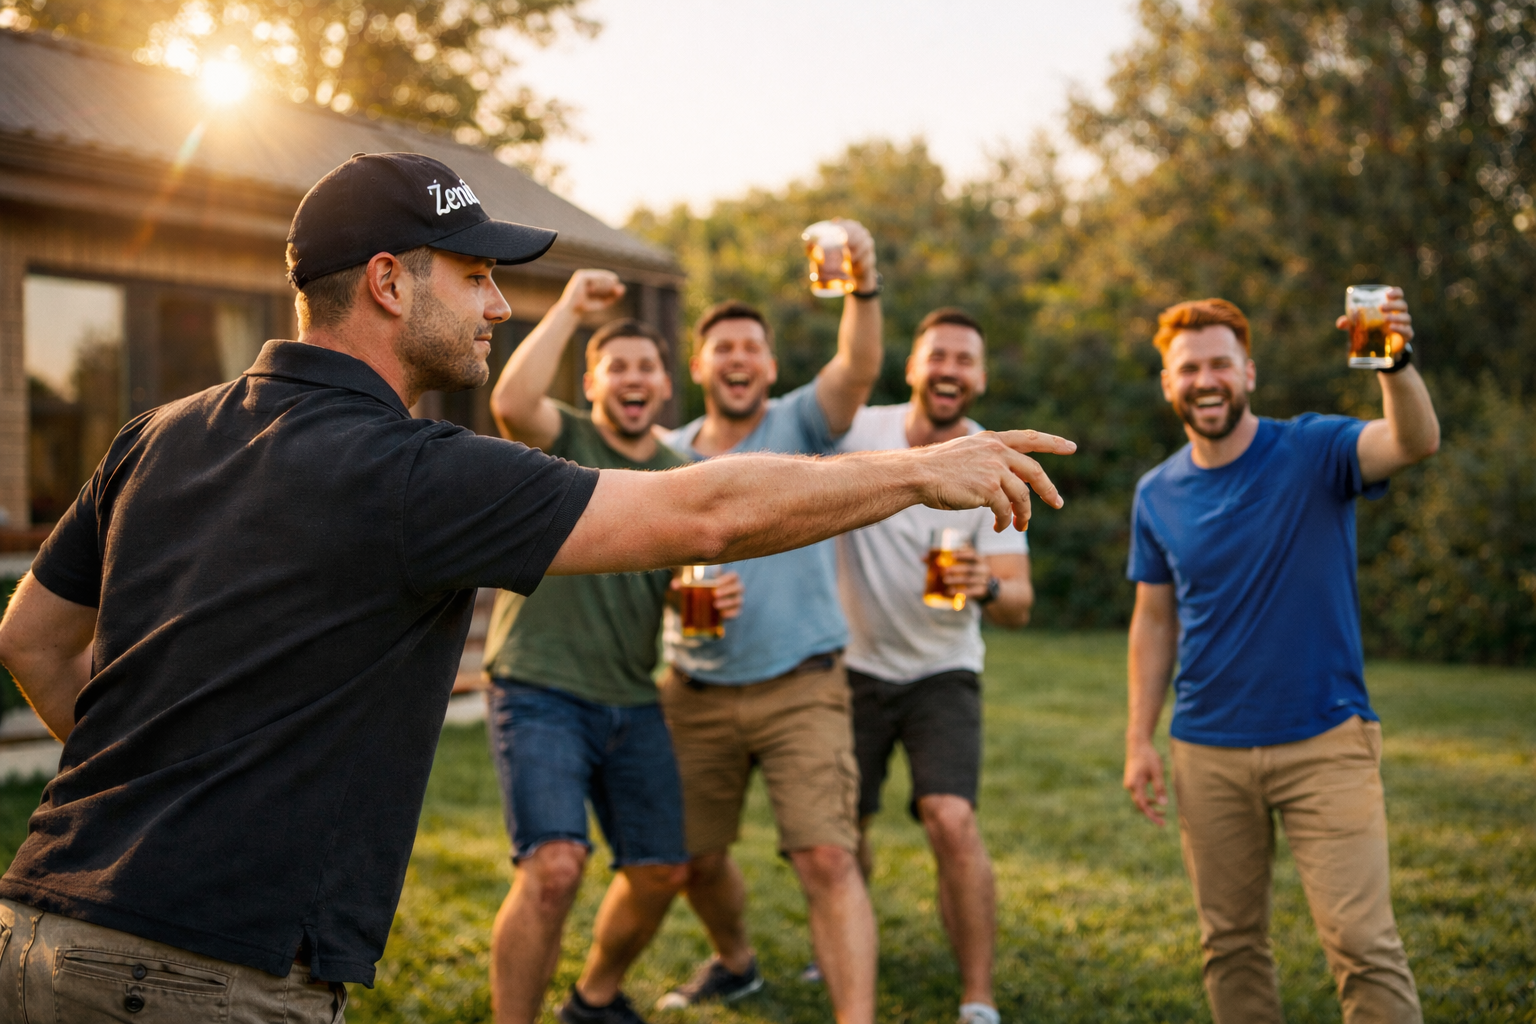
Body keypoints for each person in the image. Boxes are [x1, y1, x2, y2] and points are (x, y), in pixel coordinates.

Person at [0, 152, 1073, 1024]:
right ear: (388, 280)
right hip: (203, 975)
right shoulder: (413, 471)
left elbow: (34, 639)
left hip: (38, 924)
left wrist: (148, 775)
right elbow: (698, 512)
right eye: (474, 276)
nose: (500, 306)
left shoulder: (155, 434)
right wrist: (921, 469)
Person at [1122, 295, 1437, 1024]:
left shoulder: (1314, 449)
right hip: (1206, 748)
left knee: (1362, 942)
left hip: (1326, 740)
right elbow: (1154, 618)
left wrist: (1392, 360)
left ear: (1249, 373)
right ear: (1168, 384)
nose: (1206, 380)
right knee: (1230, 944)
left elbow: (1413, 442)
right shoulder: (1157, 492)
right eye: (1189, 368)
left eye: (1220, 365)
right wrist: (1140, 735)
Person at [481, 269, 743, 1024]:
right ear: (592, 383)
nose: (632, 378)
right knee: (554, 867)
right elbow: (511, 401)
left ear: (664, 386)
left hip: (633, 695)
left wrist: (704, 602)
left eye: (644, 368)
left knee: (663, 869)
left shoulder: (683, 473)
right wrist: (568, 306)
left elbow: (678, 590)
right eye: (615, 367)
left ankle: (594, 999)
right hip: (538, 686)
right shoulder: (566, 440)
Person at [654, 222, 884, 1024]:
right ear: (700, 365)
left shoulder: (799, 427)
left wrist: (862, 280)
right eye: (724, 347)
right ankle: (734, 960)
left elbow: (857, 367)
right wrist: (679, 602)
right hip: (697, 689)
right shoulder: (667, 455)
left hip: (802, 685)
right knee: (691, 858)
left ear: (772, 366)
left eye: (752, 346)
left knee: (827, 854)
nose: (739, 359)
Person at [834, 308, 1032, 1024]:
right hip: (853, 666)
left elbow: (1020, 603)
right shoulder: (862, 433)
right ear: (913, 367)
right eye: (938, 355)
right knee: (844, 827)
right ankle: (844, 937)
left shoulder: (994, 457)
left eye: (965, 360)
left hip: (944, 670)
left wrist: (988, 585)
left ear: (978, 378)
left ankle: (977, 995)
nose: (950, 370)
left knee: (951, 819)